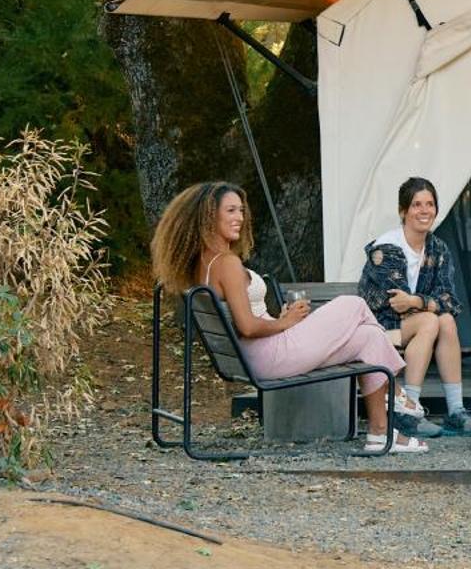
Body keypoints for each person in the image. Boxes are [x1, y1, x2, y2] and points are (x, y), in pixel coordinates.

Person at [150, 181, 425, 453]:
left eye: (241, 211)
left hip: (259, 354)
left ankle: (379, 432)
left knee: (368, 337)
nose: (240, 218)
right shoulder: (227, 264)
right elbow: (246, 326)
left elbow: (244, 320)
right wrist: (286, 322)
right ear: (209, 216)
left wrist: (277, 321)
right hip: (268, 356)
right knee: (353, 304)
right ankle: (395, 392)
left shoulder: (205, 264)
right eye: (231, 211)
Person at [357, 177, 471, 437]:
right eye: (417, 205)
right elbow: (395, 304)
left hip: (409, 325)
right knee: (432, 320)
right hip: (377, 331)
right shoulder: (387, 248)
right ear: (403, 211)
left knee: (447, 321)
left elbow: (450, 300)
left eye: (430, 204)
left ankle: (456, 412)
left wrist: (417, 301)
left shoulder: (437, 248)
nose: (424, 210)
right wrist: (427, 304)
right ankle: (409, 412)